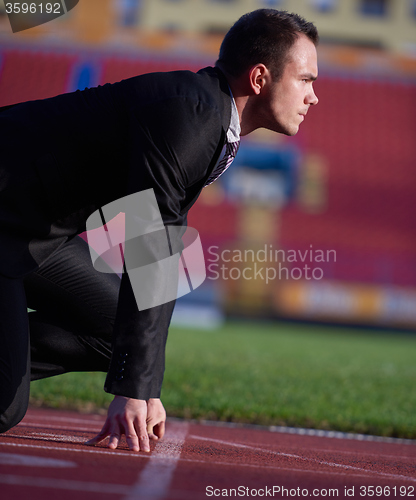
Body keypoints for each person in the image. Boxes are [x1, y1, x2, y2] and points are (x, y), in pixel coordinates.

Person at [0, 9, 319, 451]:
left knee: (115, 329)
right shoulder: (191, 113)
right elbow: (151, 243)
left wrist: (144, 383)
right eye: (306, 80)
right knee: (3, 405)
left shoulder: (209, 118)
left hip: (30, 231)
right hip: (9, 219)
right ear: (261, 77)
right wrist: (134, 390)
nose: (313, 97)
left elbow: (161, 252)